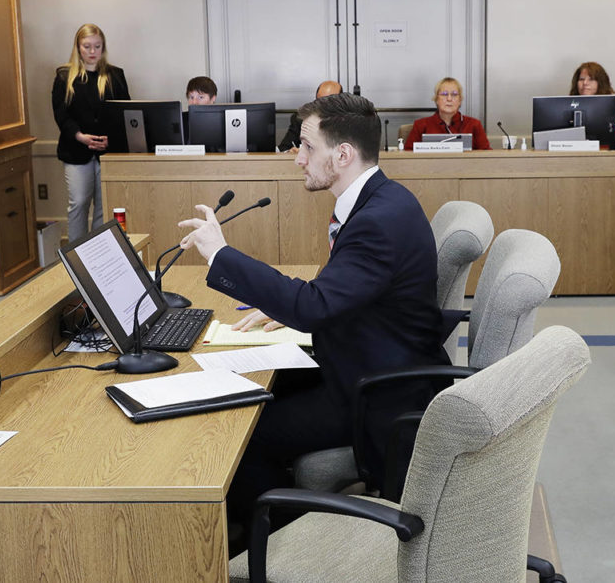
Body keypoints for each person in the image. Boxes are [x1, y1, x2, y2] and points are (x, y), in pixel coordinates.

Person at [177, 93, 449, 532]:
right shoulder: (381, 200)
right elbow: (343, 294)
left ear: (342, 154)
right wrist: (292, 308)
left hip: (378, 391)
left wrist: (220, 254)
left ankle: (275, 550)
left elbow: (315, 305)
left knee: (246, 438)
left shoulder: (377, 220)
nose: (297, 158)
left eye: (306, 147)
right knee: (249, 394)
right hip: (364, 357)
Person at [52, 23, 129, 242]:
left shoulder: (116, 75)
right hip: (76, 150)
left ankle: (99, 255)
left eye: (97, 46)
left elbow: (125, 112)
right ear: (78, 47)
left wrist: (110, 138)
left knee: (104, 207)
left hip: (108, 151)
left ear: (103, 47)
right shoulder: (64, 76)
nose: (92, 51)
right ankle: (76, 258)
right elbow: (61, 115)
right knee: (78, 202)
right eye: (87, 46)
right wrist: (80, 136)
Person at [403, 77, 491, 150]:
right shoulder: (421, 125)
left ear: (460, 100)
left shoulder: (474, 125)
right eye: (444, 94)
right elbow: (407, 157)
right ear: (436, 99)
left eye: (454, 94)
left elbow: (487, 157)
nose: (449, 99)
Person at [278, 80, 342, 152]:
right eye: (320, 100)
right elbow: (283, 148)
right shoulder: (301, 118)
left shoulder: (350, 120)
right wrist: (291, 151)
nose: (324, 105)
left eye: (329, 101)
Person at [569, 61, 615, 127]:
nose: (585, 83)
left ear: (600, 83)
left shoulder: (610, 104)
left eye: (591, 79)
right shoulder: (570, 103)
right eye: (581, 79)